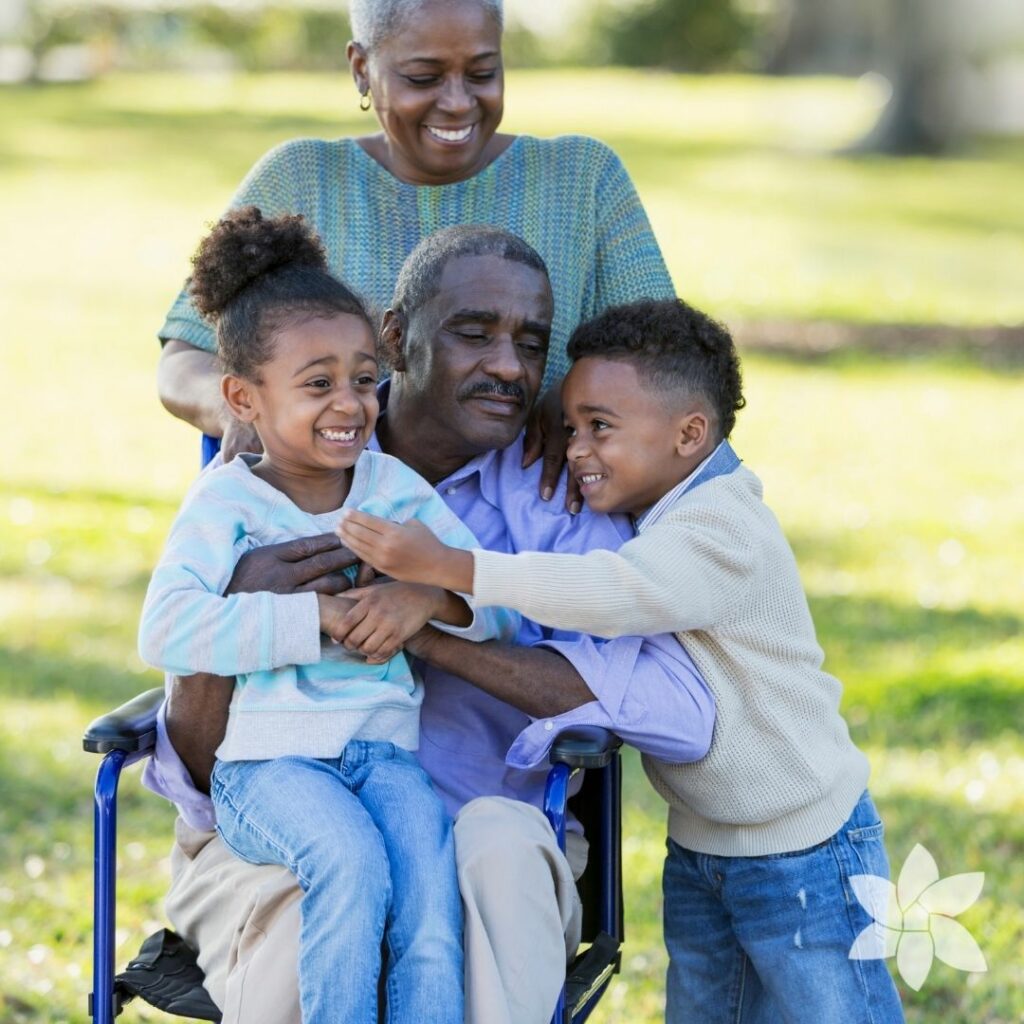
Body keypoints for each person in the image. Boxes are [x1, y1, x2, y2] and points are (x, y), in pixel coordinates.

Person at [144, 227, 716, 1024]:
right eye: (474, 333)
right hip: (274, 812)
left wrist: (426, 614)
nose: (511, 367)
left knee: (486, 851)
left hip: (482, 820)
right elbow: (187, 699)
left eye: (531, 344)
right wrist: (267, 606)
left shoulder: (562, 496)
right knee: (322, 895)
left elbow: (673, 704)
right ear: (398, 337)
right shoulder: (259, 488)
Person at [338, 297, 906, 1023]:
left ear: (689, 434)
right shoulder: (659, 511)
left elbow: (616, 593)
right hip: (704, 845)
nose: (574, 451)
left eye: (600, 429)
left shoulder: (722, 525)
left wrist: (455, 567)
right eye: (570, 427)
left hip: (805, 850)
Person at [139, 208, 517, 1023]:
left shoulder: (394, 491)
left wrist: (424, 599)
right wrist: (310, 620)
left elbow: (493, 609)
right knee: (347, 863)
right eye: (318, 384)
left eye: (362, 376)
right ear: (244, 396)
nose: (350, 402)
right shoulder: (228, 504)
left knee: (426, 887)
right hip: (269, 768)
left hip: (383, 755)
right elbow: (165, 630)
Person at [156, 0, 674, 493]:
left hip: (538, 528)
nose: (456, 101)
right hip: (334, 515)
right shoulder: (300, 180)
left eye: (482, 73)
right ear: (361, 67)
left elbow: (667, 353)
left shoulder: (583, 179)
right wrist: (241, 411)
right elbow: (184, 357)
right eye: (422, 78)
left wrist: (575, 400)